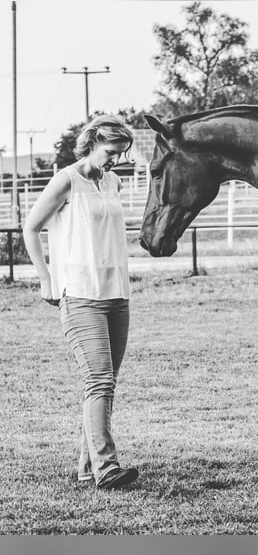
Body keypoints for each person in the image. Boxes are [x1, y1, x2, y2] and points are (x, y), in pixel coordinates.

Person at [23, 115, 139, 490]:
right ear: (92, 142)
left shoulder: (113, 181)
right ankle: (106, 469)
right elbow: (31, 227)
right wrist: (46, 278)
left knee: (105, 384)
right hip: (80, 294)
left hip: (116, 293)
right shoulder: (66, 180)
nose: (116, 160)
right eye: (111, 152)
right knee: (99, 380)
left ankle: (88, 467)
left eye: (121, 154)